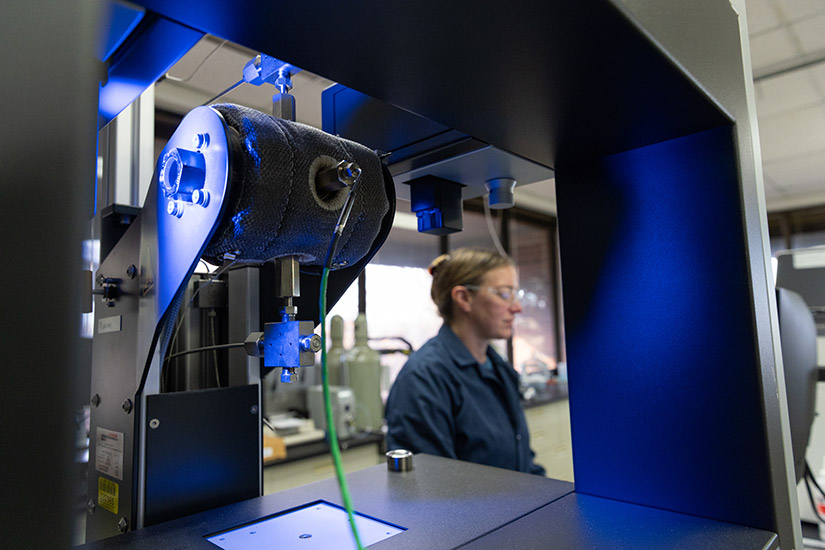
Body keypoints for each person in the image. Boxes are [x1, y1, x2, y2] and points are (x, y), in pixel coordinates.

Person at [385, 247, 545, 475]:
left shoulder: (498, 367)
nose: (516, 308)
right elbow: (431, 486)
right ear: (464, 298)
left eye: (515, 294)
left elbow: (522, 460)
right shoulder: (425, 378)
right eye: (504, 293)